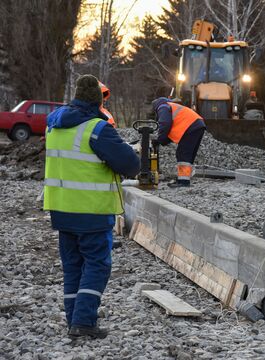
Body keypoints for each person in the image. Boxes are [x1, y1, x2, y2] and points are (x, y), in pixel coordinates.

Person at [43, 74, 140, 339]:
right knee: (97, 265)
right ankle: (84, 323)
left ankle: (74, 319)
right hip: (91, 212)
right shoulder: (97, 128)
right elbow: (130, 165)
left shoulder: (53, 125)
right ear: (98, 102)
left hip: (61, 210)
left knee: (73, 266)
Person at [152, 97, 206, 187]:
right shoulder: (171, 106)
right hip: (197, 125)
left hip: (190, 127)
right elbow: (172, 127)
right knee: (188, 154)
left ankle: (183, 182)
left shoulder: (163, 107)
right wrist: (163, 141)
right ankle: (183, 179)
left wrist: (160, 140)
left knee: (183, 153)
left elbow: (165, 124)